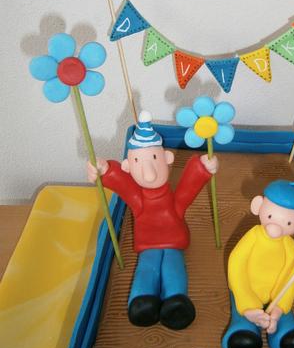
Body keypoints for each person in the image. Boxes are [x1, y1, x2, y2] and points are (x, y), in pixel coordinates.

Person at [87, 110, 218, 330]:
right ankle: (142, 301)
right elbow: (121, 184)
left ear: (167, 158)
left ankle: (176, 301)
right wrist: (104, 169)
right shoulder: (137, 199)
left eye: (154, 158)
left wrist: (203, 167)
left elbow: (187, 188)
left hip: (174, 242)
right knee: (147, 267)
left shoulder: (171, 200)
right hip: (147, 244)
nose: (149, 173)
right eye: (138, 161)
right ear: (128, 166)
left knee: (172, 266)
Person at [222, 179, 294, 348]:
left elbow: (291, 279)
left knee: (288, 331)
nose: (275, 227)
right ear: (258, 206)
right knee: (243, 331)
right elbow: (236, 266)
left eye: (288, 223)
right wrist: (248, 306)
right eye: (271, 216)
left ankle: (284, 334)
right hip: (247, 291)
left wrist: (278, 309)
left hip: (277, 294)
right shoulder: (252, 237)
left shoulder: (292, 249)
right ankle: (244, 327)